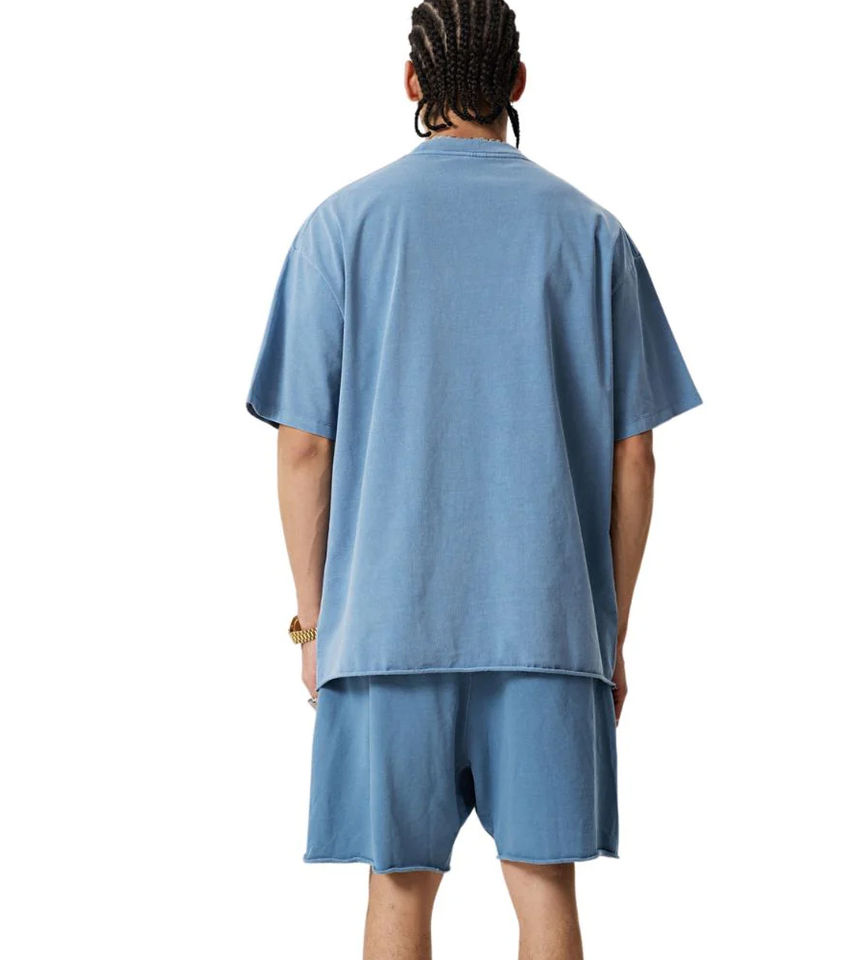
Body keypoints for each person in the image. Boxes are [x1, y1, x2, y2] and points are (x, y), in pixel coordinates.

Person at [246, 2, 701, 957]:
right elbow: (636, 457)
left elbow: (302, 446)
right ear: (519, 83)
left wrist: (315, 624)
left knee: (398, 892)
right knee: (545, 894)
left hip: (384, 630)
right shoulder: (593, 235)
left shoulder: (342, 228)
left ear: (412, 82)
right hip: (546, 627)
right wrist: (609, 631)